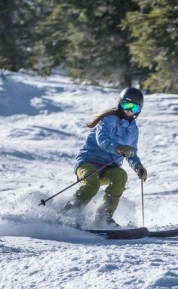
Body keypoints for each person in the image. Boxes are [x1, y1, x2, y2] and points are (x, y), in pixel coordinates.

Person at [63, 87, 148, 227]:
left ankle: (103, 218)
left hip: (109, 167)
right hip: (88, 163)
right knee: (92, 184)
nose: (129, 110)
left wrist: (138, 167)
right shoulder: (109, 119)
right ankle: (67, 215)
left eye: (134, 108)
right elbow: (102, 140)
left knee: (121, 176)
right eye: (127, 105)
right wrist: (119, 148)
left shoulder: (133, 129)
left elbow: (132, 153)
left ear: (139, 111)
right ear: (120, 103)